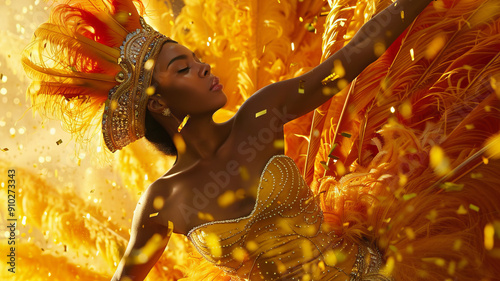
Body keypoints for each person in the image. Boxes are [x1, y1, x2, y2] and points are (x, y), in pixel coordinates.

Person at [22, 0, 500, 280]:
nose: (204, 66)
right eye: (183, 67)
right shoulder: (162, 202)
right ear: (159, 106)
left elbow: (354, 56)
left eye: (195, 57)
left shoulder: (263, 114)